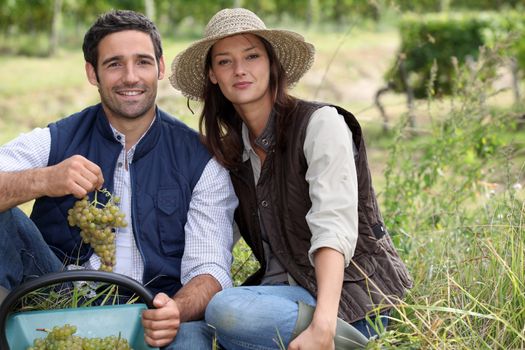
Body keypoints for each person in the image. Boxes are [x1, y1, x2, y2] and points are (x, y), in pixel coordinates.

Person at [169, 7, 413, 350]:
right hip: (281, 299)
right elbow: (212, 237)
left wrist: (323, 326)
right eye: (225, 61)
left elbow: (334, 227)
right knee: (185, 335)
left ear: (271, 63)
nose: (240, 70)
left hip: (350, 302)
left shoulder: (320, 124)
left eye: (251, 56)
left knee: (224, 309)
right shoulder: (231, 153)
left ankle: (345, 344)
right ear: (212, 75)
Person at [0, 9, 237, 349]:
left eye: (142, 62)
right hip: (59, 300)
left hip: (152, 309)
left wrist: (175, 310)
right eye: (114, 64)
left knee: (190, 343)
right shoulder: (59, 139)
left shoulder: (200, 161)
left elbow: (210, 267)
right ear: (92, 73)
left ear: (160, 67)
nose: (130, 77)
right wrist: (42, 180)